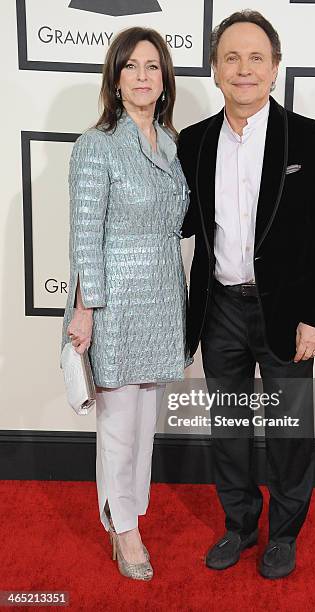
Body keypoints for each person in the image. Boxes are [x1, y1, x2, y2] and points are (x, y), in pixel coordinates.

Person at [178, 10, 315, 579]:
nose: (242, 69)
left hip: (287, 313)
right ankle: (240, 524)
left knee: (289, 433)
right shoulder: (195, 143)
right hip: (219, 308)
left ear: (275, 69)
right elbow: (174, 222)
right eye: (231, 58)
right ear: (216, 71)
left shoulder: (312, 139)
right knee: (227, 428)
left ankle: (284, 534)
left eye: (255, 58)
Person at [61, 26, 191, 581]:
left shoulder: (172, 142)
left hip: (163, 295)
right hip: (114, 299)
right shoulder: (96, 145)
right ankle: (124, 528)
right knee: (117, 423)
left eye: (153, 66)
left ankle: (130, 510)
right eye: (131, 66)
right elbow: (85, 233)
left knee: (145, 424)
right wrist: (86, 309)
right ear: (115, 78)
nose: (142, 76)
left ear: (165, 80)